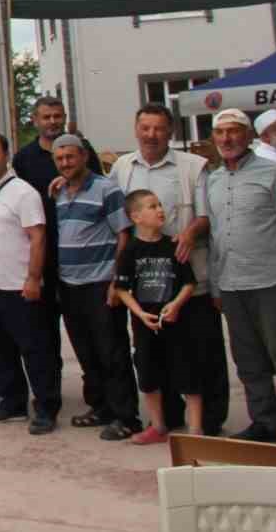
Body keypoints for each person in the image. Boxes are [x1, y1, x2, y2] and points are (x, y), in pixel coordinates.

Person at [109, 103, 227, 435]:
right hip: (146, 288)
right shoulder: (121, 167)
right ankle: (166, 422)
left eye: (159, 128)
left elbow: (206, 216)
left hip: (189, 282)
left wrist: (190, 233)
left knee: (200, 355)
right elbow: (108, 208)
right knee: (154, 358)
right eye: (145, 128)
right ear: (136, 129)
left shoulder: (194, 166)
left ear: (170, 132)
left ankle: (208, 425)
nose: (152, 135)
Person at [194, 108, 276, 445]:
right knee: (248, 359)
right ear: (214, 138)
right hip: (230, 284)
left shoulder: (274, 173)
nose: (227, 139)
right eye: (220, 133)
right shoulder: (212, 180)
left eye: (234, 131)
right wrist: (214, 284)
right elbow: (212, 238)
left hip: (272, 281)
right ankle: (264, 422)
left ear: (248, 135)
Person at [51, 133, 138, 440]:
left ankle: (127, 416)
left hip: (101, 285)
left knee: (112, 352)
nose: (65, 163)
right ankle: (101, 407)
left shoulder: (106, 189)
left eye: (70, 157)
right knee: (86, 353)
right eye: (59, 159)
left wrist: (117, 281)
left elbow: (124, 236)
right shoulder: (59, 192)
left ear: (84, 156)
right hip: (70, 285)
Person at [0, 133, 60, 434]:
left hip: (18, 285)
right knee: (2, 352)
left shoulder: (23, 192)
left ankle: (47, 407)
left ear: (6, 154)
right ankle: (13, 402)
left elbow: (38, 236)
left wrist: (34, 278)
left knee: (35, 350)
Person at [14, 96, 102, 369]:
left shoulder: (83, 151)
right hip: (43, 254)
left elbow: (99, 186)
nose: (52, 122)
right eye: (46, 117)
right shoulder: (24, 159)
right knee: (43, 331)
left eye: (57, 116)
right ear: (35, 120)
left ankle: (100, 397)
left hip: (83, 256)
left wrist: (75, 176)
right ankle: (49, 397)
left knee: (90, 332)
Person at [113, 190, 202, 445]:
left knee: (187, 373)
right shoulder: (130, 250)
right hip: (145, 326)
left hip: (177, 323)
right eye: (152, 206)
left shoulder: (174, 245)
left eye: (160, 204)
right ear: (136, 217)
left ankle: (195, 430)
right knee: (148, 375)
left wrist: (175, 305)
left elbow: (189, 283)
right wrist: (139, 312)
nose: (160, 210)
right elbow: (121, 287)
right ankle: (158, 426)